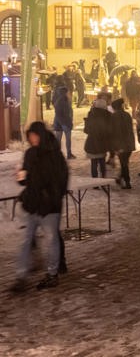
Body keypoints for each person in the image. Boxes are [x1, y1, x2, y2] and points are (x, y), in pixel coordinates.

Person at [10, 122, 69, 292]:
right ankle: (21, 276)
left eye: (35, 136)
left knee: (52, 239)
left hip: (49, 206)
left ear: (41, 135)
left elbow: (62, 179)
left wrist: (52, 196)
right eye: (30, 136)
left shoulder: (54, 155)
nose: (32, 139)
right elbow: (26, 177)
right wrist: (21, 177)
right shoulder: (30, 153)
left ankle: (52, 274)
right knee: (26, 240)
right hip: (32, 204)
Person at [84, 97, 112, 178]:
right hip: (102, 143)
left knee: (94, 163)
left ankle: (94, 182)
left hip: (92, 143)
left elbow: (86, 130)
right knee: (102, 163)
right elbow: (110, 131)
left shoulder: (91, 114)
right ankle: (103, 180)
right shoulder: (108, 115)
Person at [111, 98, 135, 189]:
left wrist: (116, 147)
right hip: (129, 143)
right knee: (124, 163)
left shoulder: (114, 116)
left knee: (124, 164)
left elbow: (115, 132)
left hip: (121, 144)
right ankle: (120, 178)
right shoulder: (127, 115)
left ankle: (127, 182)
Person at [52, 85, 75, 159]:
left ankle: (57, 155)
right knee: (68, 139)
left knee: (58, 140)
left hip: (58, 123)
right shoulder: (64, 102)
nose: (69, 93)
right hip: (64, 123)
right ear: (65, 93)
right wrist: (68, 123)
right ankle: (69, 154)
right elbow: (66, 114)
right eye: (68, 92)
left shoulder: (59, 100)